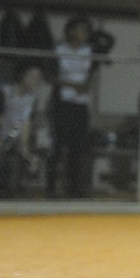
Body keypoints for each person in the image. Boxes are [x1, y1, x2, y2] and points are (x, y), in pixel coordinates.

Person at [0, 62, 44, 199]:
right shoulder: (4, 91)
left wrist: (24, 149)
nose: (35, 81)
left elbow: (25, 124)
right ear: (22, 76)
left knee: (12, 170)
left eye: (38, 78)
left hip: (12, 141)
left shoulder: (31, 99)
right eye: (32, 77)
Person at [45, 15, 97, 198]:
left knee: (78, 146)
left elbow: (92, 72)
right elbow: (48, 76)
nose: (84, 34)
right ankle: (51, 185)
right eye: (81, 30)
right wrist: (71, 85)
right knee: (59, 145)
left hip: (80, 105)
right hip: (62, 104)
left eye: (86, 31)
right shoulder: (59, 49)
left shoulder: (88, 51)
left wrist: (86, 85)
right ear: (71, 31)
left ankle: (74, 186)